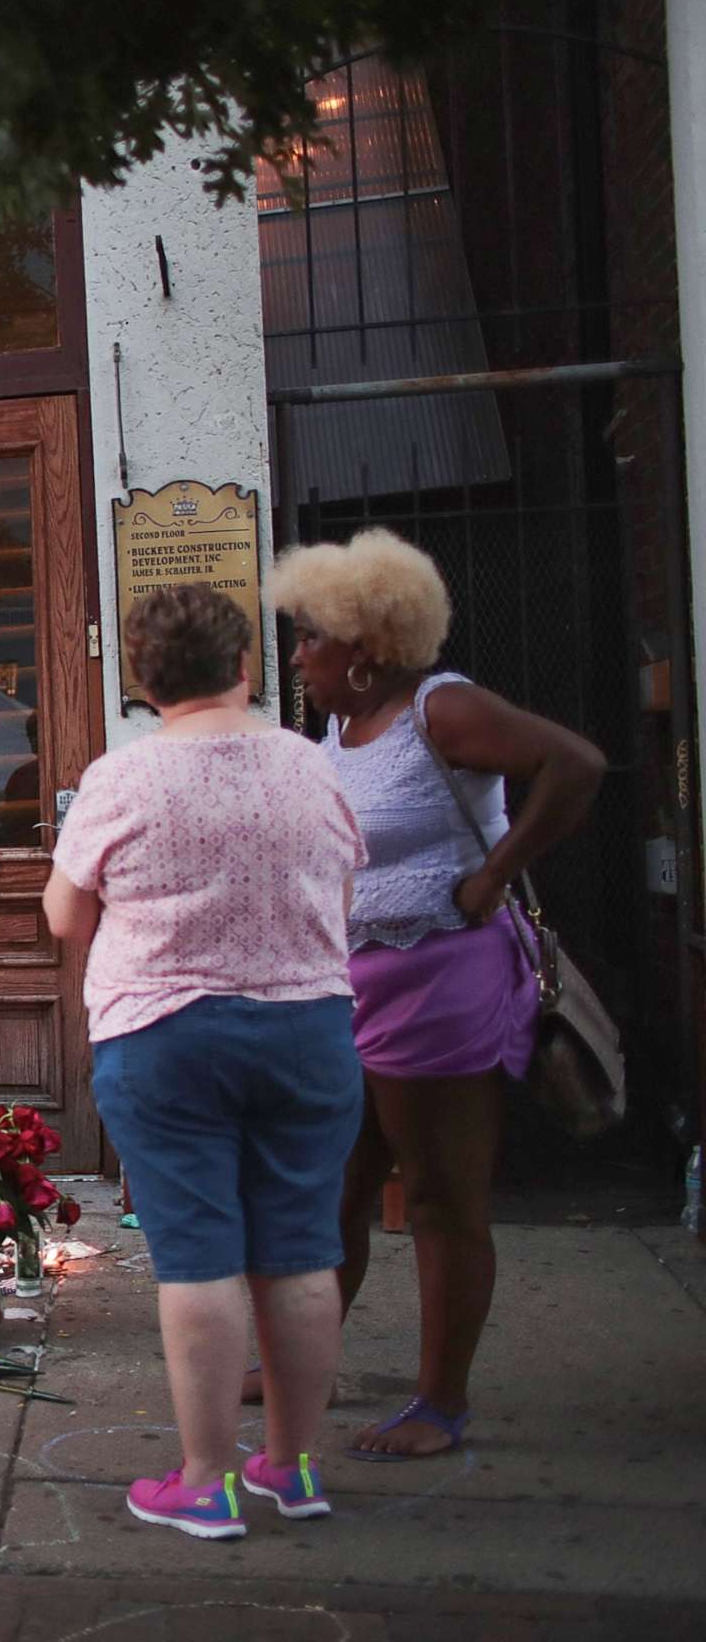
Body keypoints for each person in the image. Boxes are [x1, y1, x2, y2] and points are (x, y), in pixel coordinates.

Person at [268, 528, 602, 1461]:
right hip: (350, 988)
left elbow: (576, 764)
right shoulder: (336, 726)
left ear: (364, 650)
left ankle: (439, 1402)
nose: (297, 655)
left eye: (309, 639)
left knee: (443, 1199)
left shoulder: (442, 711)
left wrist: (496, 872)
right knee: (335, 1186)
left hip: (441, 983)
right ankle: (310, 1362)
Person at [43, 584, 366, 1540]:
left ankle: (207, 1479)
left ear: (143, 680)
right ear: (245, 667)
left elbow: (64, 914)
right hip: (307, 1024)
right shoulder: (312, 767)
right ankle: (296, 1468)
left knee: (198, 1254)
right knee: (304, 1250)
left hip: (166, 1033)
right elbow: (347, 884)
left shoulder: (123, 780)